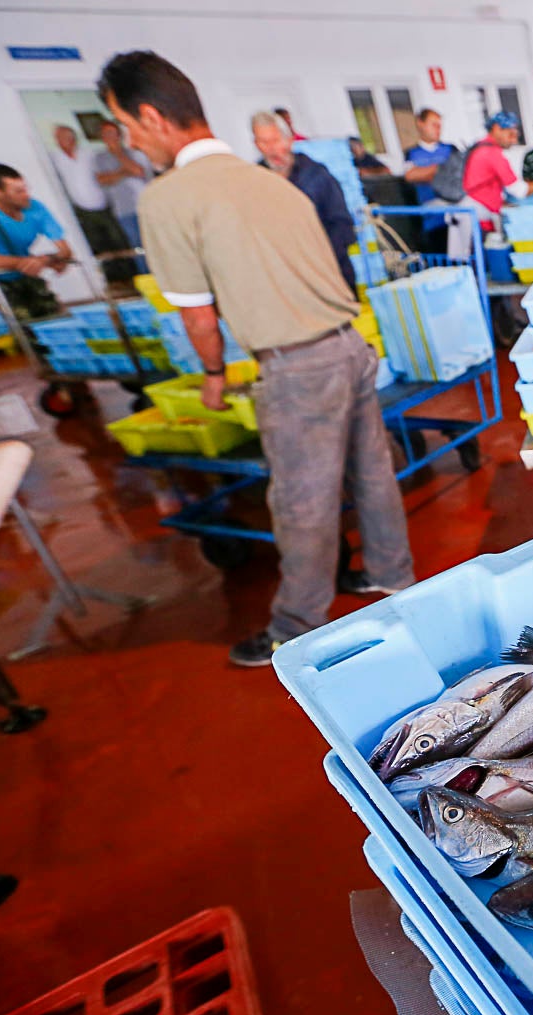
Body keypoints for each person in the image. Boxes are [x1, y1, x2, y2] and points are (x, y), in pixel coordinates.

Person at [100, 50, 413, 667]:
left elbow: (196, 313)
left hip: (297, 366)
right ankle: (392, 575)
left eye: (128, 129)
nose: (133, 145)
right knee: (372, 474)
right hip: (350, 346)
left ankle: (293, 627)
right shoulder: (273, 180)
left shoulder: (169, 198)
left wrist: (214, 376)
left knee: (301, 500)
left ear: (153, 117)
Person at [253, 112, 358, 295]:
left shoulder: (316, 176)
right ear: (256, 145)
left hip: (331, 275)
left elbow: (342, 224)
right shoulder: (255, 182)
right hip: (286, 284)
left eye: (275, 140)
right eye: (264, 142)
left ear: (289, 140)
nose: (271, 149)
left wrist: (320, 259)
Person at [0, 164, 71, 320]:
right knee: (26, 323)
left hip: (24, 269)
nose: (26, 195)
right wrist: (35, 261)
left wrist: (45, 259)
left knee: (56, 316)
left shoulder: (36, 208)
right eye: (18, 191)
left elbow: (66, 251)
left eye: (25, 188)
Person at [49, 123, 133, 281]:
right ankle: (114, 280)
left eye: (66, 136)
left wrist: (121, 172)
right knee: (98, 246)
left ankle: (131, 276)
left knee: (118, 241)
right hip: (82, 210)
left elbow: (105, 174)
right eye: (59, 138)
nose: (63, 140)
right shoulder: (55, 158)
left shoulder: (90, 154)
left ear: (73, 138)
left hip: (104, 206)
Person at [91, 119, 151, 266]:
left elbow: (138, 171)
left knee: (155, 243)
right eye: (105, 134)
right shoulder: (99, 158)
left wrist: (118, 154)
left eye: (112, 133)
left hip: (146, 207)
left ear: (119, 135)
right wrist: (124, 172)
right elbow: (102, 180)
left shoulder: (135, 153)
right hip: (123, 211)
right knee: (138, 248)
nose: (109, 137)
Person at [403, 108, 454, 249]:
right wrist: (439, 168)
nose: (438, 129)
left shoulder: (450, 149)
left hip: (455, 214)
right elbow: (410, 176)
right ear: (420, 124)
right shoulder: (412, 153)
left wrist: (424, 173)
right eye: (434, 124)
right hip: (431, 218)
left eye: (439, 125)